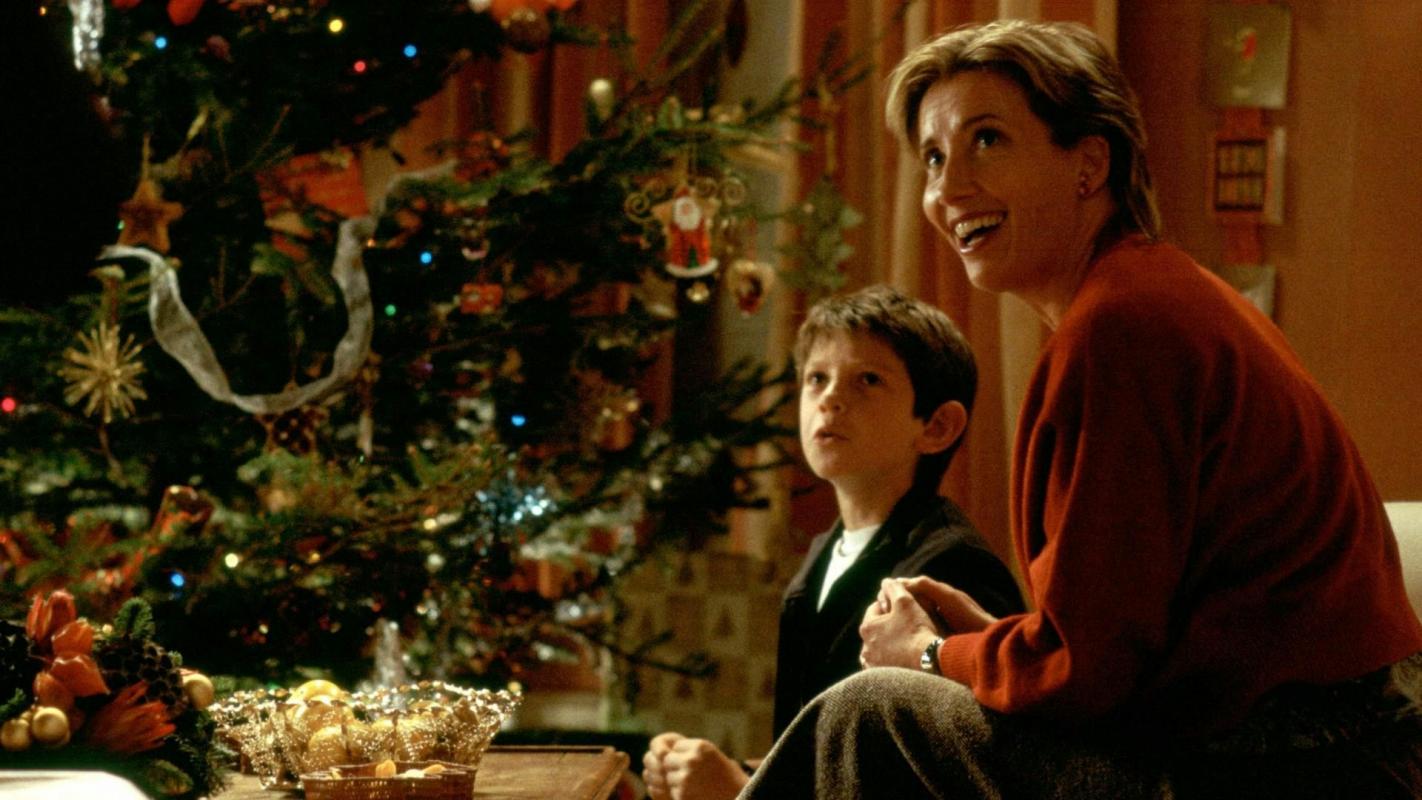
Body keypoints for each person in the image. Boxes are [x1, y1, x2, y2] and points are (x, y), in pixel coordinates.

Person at [740, 19, 1422, 800]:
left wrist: (930, 654)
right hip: (1299, 743)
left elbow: (1091, 675)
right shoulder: (1145, 295)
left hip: (1290, 768)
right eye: (932, 158)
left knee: (868, 711)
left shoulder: (1121, 328)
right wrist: (990, 641)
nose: (949, 189)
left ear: (1090, 163)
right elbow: (1115, 642)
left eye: (986, 140)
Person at [641, 285, 1024, 800]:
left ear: (936, 426)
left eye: (867, 380)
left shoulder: (951, 568)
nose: (830, 398)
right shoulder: (826, 553)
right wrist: (737, 772)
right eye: (816, 378)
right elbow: (814, 752)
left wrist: (740, 793)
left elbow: (954, 779)